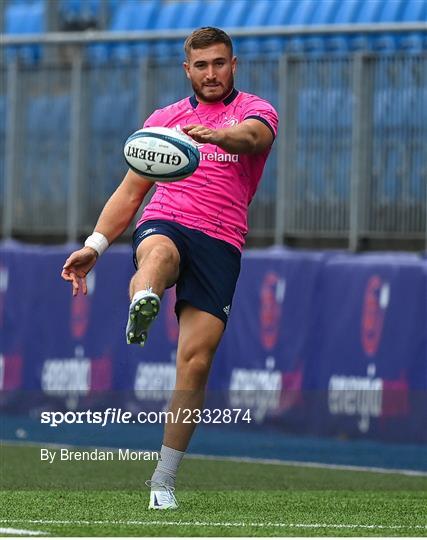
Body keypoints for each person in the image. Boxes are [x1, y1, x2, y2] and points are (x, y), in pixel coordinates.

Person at [62, 26, 278, 510]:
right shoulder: (164, 121)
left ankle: (162, 480)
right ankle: (146, 299)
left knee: (195, 363)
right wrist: (94, 246)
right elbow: (131, 193)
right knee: (157, 254)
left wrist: (217, 135)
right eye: (201, 66)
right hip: (168, 219)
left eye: (219, 63)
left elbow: (251, 138)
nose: (211, 73)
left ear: (233, 64)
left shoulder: (256, 111)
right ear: (187, 70)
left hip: (221, 241)